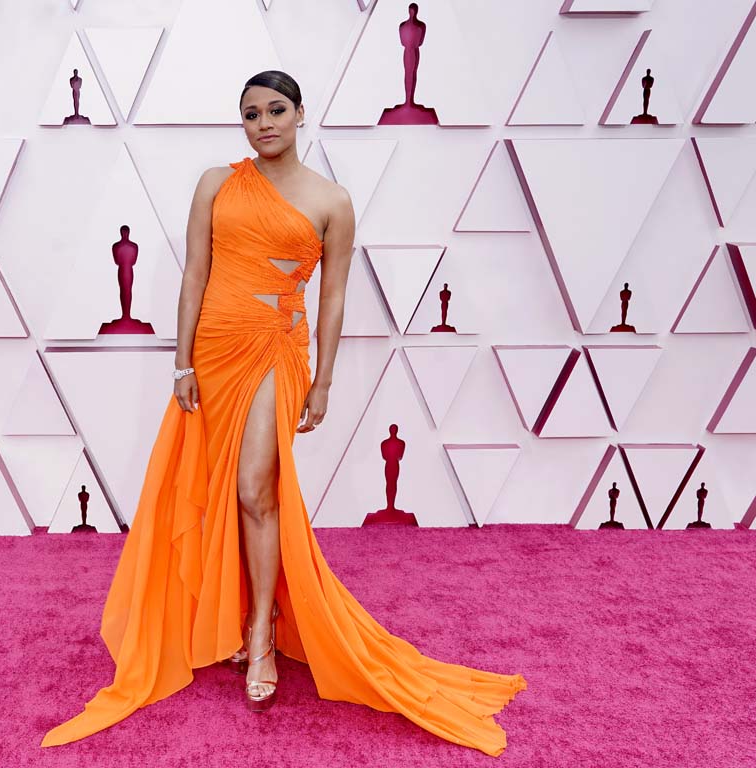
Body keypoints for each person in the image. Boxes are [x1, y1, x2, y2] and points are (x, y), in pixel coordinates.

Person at [41, 70, 526, 756]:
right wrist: (180, 362)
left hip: (276, 350)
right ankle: (237, 618)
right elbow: (194, 273)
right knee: (215, 487)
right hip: (214, 349)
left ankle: (262, 635)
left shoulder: (332, 201)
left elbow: (333, 297)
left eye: (275, 110)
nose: (263, 123)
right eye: (250, 114)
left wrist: (323, 381)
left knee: (254, 489)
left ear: (301, 114)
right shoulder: (216, 183)